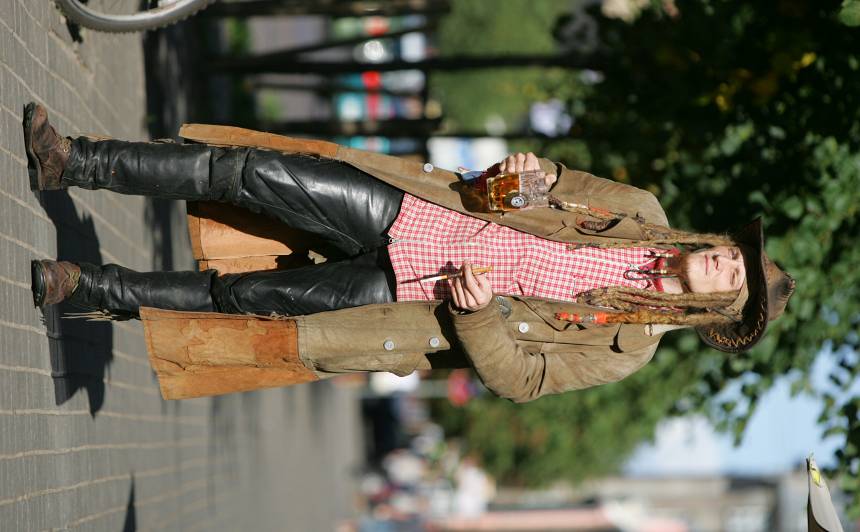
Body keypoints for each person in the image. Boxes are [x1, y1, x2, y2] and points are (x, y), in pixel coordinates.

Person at [23, 102, 795, 402]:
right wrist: (525, 177)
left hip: (406, 306)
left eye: (734, 279)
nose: (726, 262)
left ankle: (85, 286)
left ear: (717, 310)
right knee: (247, 172)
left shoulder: (627, 349)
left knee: (239, 304)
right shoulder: (642, 211)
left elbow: (522, 380)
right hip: (419, 208)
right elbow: (553, 184)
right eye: (734, 253)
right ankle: (73, 162)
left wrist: (480, 317)